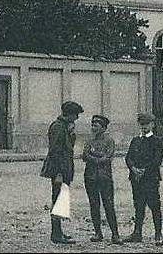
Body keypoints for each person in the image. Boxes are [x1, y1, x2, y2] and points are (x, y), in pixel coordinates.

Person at [41, 100, 84, 244]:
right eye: (76, 114)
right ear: (69, 114)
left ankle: (59, 232)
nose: (77, 118)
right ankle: (56, 234)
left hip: (65, 168)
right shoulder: (58, 127)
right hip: (58, 170)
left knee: (61, 200)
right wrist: (58, 173)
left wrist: (71, 134)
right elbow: (55, 151)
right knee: (57, 200)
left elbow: (68, 147)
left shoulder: (65, 127)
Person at [124, 112, 163, 246]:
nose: (144, 127)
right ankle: (137, 233)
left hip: (150, 178)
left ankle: (158, 234)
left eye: (147, 124)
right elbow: (128, 157)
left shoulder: (156, 141)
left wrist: (144, 171)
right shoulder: (135, 140)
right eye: (142, 124)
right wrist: (133, 169)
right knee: (138, 206)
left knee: (154, 206)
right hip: (136, 179)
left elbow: (157, 160)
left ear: (152, 125)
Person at [81, 114, 121, 244]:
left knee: (108, 205)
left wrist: (94, 155)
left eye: (96, 125)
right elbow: (84, 156)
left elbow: (108, 157)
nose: (94, 128)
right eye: (92, 125)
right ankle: (98, 233)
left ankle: (115, 234)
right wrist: (98, 157)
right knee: (94, 205)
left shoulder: (109, 141)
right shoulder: (89, 141)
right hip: (90, 176)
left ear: (103, 128)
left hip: (105, 178)